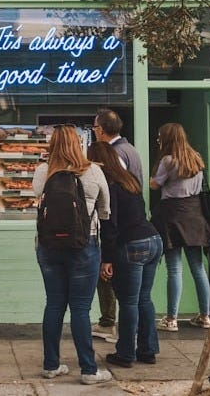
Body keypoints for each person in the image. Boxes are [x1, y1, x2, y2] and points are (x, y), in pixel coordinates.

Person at [31, 124, 113, 385]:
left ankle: (51, 365)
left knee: (54, 304)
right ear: (78, 144)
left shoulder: (43, 171)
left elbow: (36, 198)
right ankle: (89, 370)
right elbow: (106, 210)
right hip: (83, 246)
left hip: (48, 247)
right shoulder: (93, 171)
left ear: (52, 144)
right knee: (80, 307)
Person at [88, 141, 162, 368]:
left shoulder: (109, 185)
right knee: (144, 299)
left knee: (128, 301)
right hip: (153, 240)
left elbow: (110, 225)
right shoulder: (129, 180)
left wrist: (106, 258)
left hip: (131, 245)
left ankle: (126, 353)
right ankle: (148, 350)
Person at [149, 122, 210, 332]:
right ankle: (206, 316)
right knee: (198, 268)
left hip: (172, 216)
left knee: (174, 269)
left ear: (167, 139)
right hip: (194, 216)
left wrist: (152, 179)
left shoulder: (168, 161)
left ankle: (171, 319)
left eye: (160, 136)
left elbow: (155, 185)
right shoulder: (195, 157)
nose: (158, 140)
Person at [90, 109, 142, 342]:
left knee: (114, 281)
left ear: (101, 130)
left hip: (121, 228)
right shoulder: (131, 149)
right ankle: (136, 336)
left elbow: (109, 205)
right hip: (136, 224)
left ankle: (111, 325)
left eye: (94, 128)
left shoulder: (114, 154)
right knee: (139, 296)